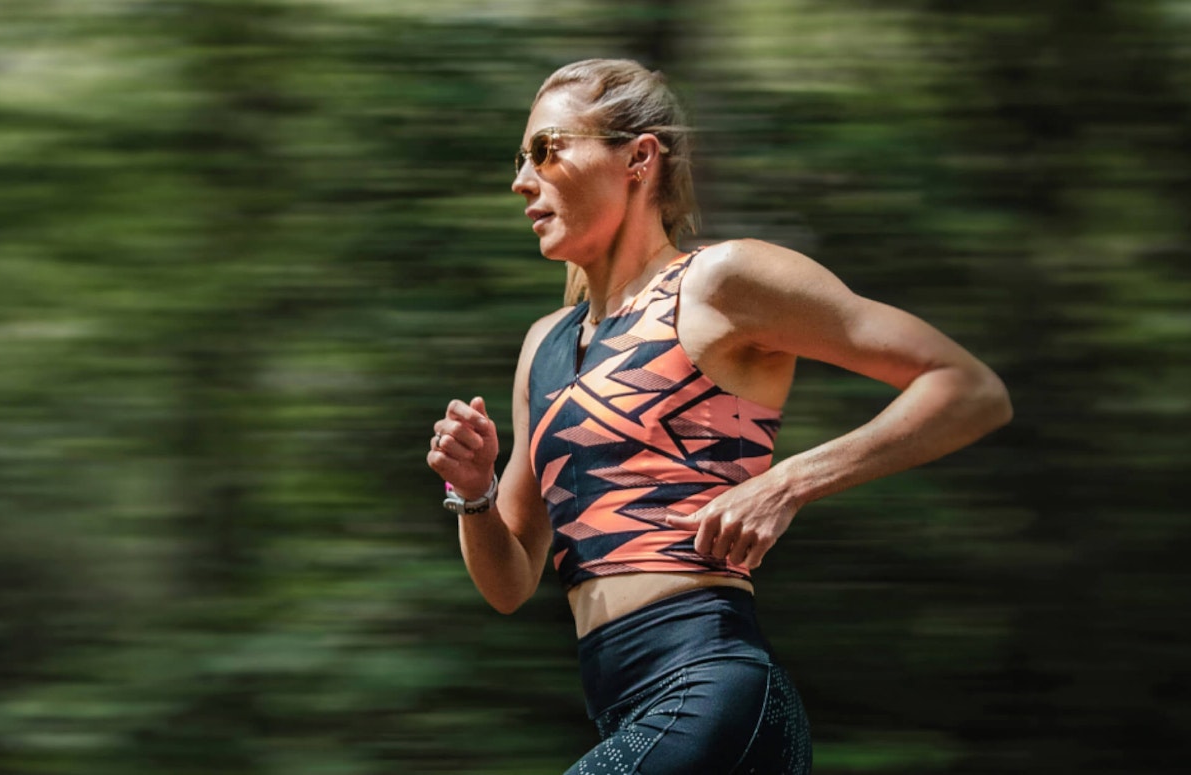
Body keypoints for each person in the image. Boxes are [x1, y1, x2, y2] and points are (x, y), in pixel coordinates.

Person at [423, 59, 1013, 774]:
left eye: (547, 149)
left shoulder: (717, 283)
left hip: (711, 694)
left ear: (639, 158)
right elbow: (510, 581)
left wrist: (787, 483)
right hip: (630, 711)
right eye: (518, 158)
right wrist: (475, 492)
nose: (523, 180)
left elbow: (968, 387)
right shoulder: (543, 346)